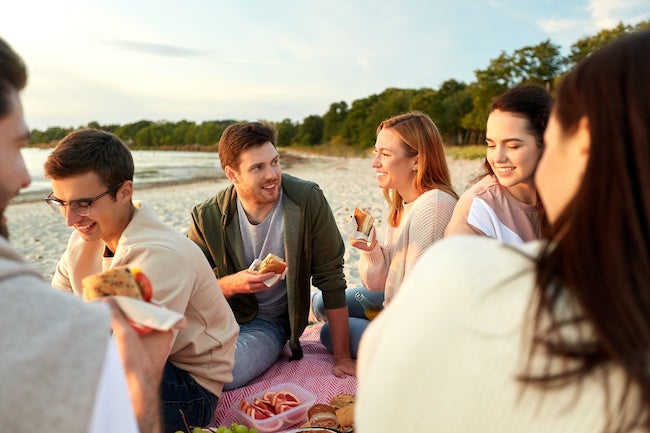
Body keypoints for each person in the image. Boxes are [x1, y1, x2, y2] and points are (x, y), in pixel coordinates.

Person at [356, 30, 650, 433]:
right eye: (491, 143)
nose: (498, 157)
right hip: (401, 311)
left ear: (579, 148)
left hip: (408, 326)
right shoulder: (471, 207)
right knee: (337, 304)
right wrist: (371, 251)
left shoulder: (458, 256)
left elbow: (398, 339)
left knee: (333, 312)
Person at [0, 36, 165, 433]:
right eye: (15, 146)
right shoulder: (72, 255)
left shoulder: (156, 251)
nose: (24, 177)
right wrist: (130, 361)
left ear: (124, 192)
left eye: (83, 203)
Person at [43, 129, 239, 433]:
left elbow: (135, 368)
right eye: (61, 202)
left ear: (124, 192)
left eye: (82, 203)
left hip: (188, 387)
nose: (70, 219)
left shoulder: (160, 256)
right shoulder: (85, 237)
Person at [187, 121, 355, 390]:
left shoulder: (307, 200)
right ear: (232, 174)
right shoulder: (207, 216)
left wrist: (343, 356)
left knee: (224, 372)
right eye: (258, 167)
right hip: (215, 318)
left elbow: (331, 277)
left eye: (275, 162)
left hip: (268, 324)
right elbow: (186, 285)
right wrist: (232, 285)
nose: (272, 174)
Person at [313, 111, 458, 357]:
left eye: (386, 154)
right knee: (322, 303)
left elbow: (417, 301)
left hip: (420, 332)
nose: (375, 162)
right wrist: (371, 251)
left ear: (416, 160)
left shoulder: (433, 206)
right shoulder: (399, 203)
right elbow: (379, 286)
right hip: (395, 305)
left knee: (330, 332)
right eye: (375, 152)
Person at [444, 85, 551, 244]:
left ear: (547, 142)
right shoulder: (479, 209)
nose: (497, 158)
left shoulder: (575, 195)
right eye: (491, 145)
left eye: (512, 146)